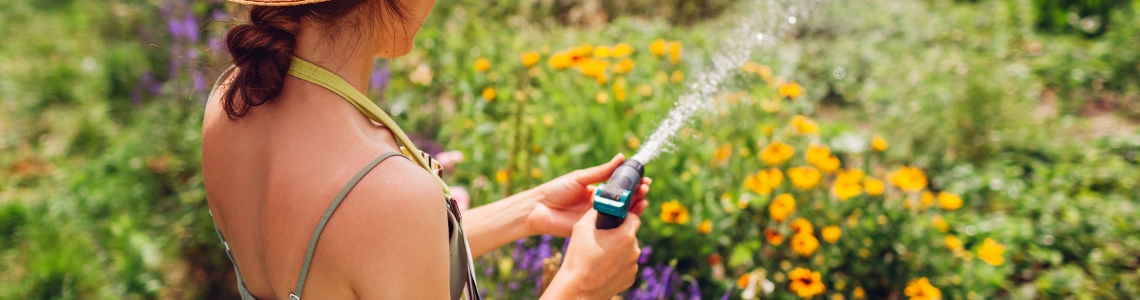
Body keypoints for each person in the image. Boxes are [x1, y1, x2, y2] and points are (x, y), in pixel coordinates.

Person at [200, 0, 653, 299]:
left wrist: (529, 211)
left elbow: (364, 260)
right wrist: (579, 285)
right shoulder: (384, 189)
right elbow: (379, 228)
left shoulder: (231, 103)